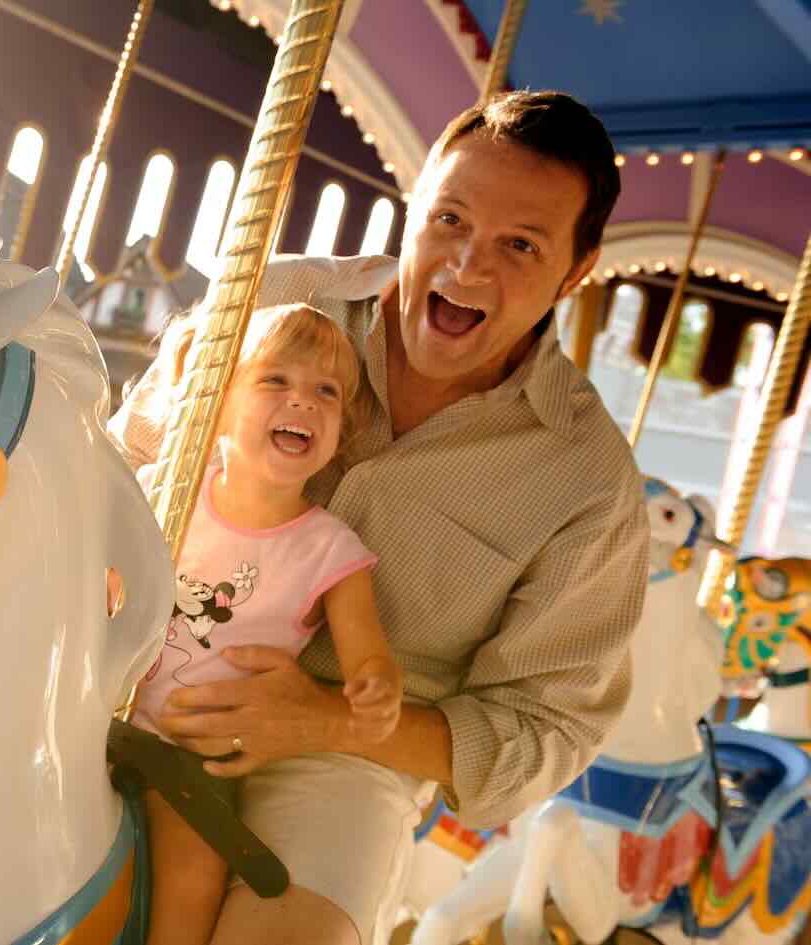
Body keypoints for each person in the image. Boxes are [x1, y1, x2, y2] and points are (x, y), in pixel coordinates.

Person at [111, 90, 648, 945]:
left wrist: (328, 718)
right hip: (139, 664)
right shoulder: (277, 295)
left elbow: (546, 726)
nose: (468, 267)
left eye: (520, 246)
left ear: (576, 272)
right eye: (449, 219)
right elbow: (121, 464)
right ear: (415, 207)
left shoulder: (586, 481)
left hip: (347, 757)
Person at [133, 303, 403, 945]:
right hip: (91, 715)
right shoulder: (162, 491)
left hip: (188, 753)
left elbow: (368, 653)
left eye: (326, 392)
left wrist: (376, 685)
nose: (302, 402)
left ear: (342, 427)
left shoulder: (330, 550)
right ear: (217, 400)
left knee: (197, 869)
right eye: (276, 381)